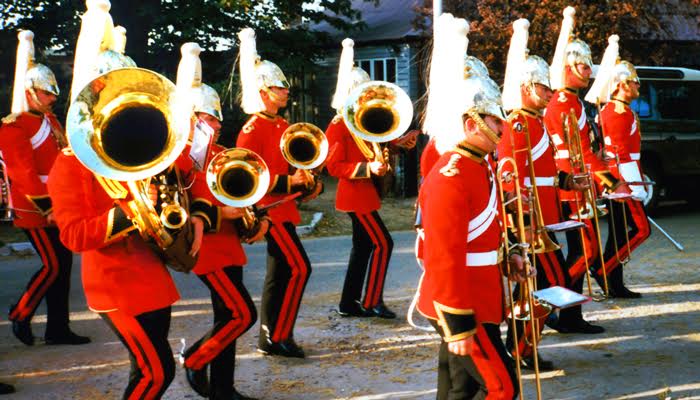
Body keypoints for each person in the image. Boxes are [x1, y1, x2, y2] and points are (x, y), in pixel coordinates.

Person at [49, 2, 182, 397]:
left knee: (147, 372)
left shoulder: (134, 153)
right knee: (156, 373)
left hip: (149, 277)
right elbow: (73, 236)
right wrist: (130, 215)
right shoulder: (70, 165)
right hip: (115, 286)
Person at [417, 14, 522, 399]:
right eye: (494, 121)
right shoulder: (452, 174)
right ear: (469, 122)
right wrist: (457, 322)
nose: (502, 128)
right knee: (502, 388)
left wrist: (508, 256)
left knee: (459, 389)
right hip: (461, 305)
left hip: (480, 296)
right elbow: (443, 255)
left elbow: (486, 227)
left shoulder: (480, 165)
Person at [499, 18, 592, 370]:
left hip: (546, 218)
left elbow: (545, 173)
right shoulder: (518, 123)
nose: (550, 94)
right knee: (544, 285)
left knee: (546, 286)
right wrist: (523, 220)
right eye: (543, 88)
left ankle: (522, 347)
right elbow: (511, 174)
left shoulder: (535, 120)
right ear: (526, 87)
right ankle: (520, 349)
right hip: (531, 223)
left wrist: (568, 182)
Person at [175, 43, 266, 400]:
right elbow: (181, 207)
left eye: (217, 119)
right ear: (193, 116)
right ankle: (196, 359)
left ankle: (223, 388)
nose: (217, 124)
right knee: (243, 315)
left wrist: (256, 220)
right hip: (206, 250)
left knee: (227, 318)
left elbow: (240, 196)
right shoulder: (179, 156)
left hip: (229, 248)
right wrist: (221, 214)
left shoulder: (218, 154)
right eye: (210, 118)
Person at [235, 28, 321, 358]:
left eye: (284, 86)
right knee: (299, 268)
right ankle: (279, 336)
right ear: (262, 91)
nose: (285, 91)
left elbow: (287, 167)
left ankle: (270, 337)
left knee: (281, 272)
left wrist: (306, 183)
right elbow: (251, 179)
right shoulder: (251, 130)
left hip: (285, 207)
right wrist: (292, 184)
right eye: (278, 87)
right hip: (269, 210)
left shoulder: (281, 125)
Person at [0, 30, 89, 347]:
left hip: (58, 205)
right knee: (52, 264)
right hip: (33, 208)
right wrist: (48, 207)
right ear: (30, 91)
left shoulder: (50, 121)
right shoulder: (13, 125)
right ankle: (20, 313)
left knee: (63, 268)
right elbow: (22, 172)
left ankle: (57, 329)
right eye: (46, 93)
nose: (53, 97)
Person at [543, 6, 627, 333]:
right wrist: (610, 180)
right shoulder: (563, 104)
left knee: (583, 250)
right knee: (585, 250)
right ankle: (561, 307)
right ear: (567, 67)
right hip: (571, 184)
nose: (589, 71)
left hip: (579, 181)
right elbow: (577, 154)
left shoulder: (573, 102)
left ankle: (567, 310)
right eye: (582, 65)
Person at [325, 38, 402, 319]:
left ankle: (349, 303)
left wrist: (398, 144)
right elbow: (334, 166)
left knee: (364, 247)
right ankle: (371, 301)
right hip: (355, 194)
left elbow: (374, 146)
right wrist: (368, 169)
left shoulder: (360, 120)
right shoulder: (338, 124)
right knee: (383, 243)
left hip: (367, 192)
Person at [594, 59, 651, 298]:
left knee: (618, 234)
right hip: (621, 180)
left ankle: (614, 281)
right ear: (621, 85)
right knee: (641, 230)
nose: (638, 86)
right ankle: (603, 270)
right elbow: (617, 155)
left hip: (623, 177)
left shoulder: (618, 110)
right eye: (634, 82)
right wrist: (630, 185)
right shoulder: (618, 112)